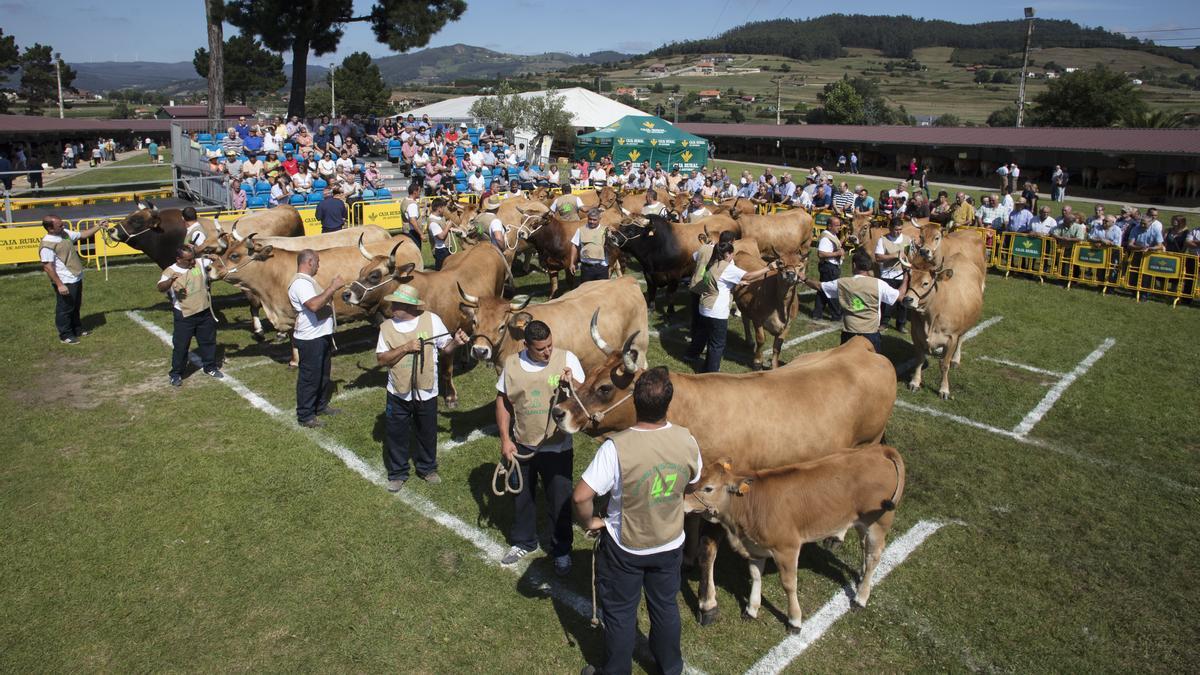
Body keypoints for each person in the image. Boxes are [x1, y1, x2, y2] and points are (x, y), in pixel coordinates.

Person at [573, 366, 701, 675]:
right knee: (665, 607)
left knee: (619, 613)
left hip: (626, 547)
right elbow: (694, 482)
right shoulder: (687, 439)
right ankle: (670, 667)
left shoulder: (615, 448)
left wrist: (590, 523)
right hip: (670, 542)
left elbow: (580, 496)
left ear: (633, 401)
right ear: (667, 404)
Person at [495, 320, 586, 573]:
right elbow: (502, 401)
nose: (547, 352)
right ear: (526, 346)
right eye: (540, 349)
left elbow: (585, 400)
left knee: (560, 501)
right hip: (521, 445)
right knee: (521, 497)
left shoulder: (567, 360)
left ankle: (562, 550)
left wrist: (572, 385)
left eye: (550, 345)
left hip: (557, 448)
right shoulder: (512, 365)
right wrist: (505, 439)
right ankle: (524, 541)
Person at [376, 284, 469, 491]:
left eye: (396, 304)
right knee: (396, 433)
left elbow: (445, 348)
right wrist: (405, 348)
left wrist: (456, 343)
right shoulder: (387, 328)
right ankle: (398, 473)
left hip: (427, 390)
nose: (391, 307)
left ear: (408, 306)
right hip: (398, 391)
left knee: (427, 432)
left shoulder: (431, 320)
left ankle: (427, 468)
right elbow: (381, 359)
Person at [685, 240, 779, 373]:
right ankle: (712, 373)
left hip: (704, 306)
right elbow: (749, 275)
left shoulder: (712, 263)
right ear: (728, 254)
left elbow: (715, 281)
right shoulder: (727, 267)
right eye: (731, 254)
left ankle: (696, 360)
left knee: (704, 334)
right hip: (717, 311)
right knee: (717, 344)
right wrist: (768, 268)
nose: (732, 256)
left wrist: (737, 282)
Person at [802, 249, 908, 352]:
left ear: (853, 265)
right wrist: (906, 276)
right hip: (871, 335)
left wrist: (804, 279)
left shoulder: (843, 283)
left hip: (849, 334)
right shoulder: (879, 284)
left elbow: (819, 286)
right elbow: (900, 296)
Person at [288, 250, 345, 428]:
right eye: (317, 262)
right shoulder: (300, 283)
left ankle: (320, 406)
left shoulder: (306, 281)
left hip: (320, 335)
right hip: (310, 338)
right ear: (309, 262)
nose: (319, 266)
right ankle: (305, 415)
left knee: (323, 374)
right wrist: (332, 288)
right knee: (310, 378)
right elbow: (313, 305)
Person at [156, 246, 223, 386]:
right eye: (188, 260)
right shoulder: (170, 271)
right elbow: (161, 287)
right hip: (184, 315)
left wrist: (214, 257)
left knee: (208, 341)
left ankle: (210, 367)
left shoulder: (198, 263)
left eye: (193, 258)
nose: (192, 262)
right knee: (181, 346)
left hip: (204, 311)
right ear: (178, 259)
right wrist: (170, 281)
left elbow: (218, 261)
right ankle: (176, 374)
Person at [40, 215, 104, 344]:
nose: (63, 227)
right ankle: (65, 335)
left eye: (63, 224)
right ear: (50, 229)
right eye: (60, 225)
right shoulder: (47, 245)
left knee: (75, 306)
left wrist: (99, 226)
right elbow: (48, 267)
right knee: (65, 309)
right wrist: (60, 285)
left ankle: (77, 329)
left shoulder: (64, 234)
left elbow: (83, 235)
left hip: (75, 277)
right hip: (65, 281)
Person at [874, 218, 911, 332]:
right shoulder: (883, 240)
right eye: (896, 230)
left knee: (902, 301)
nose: (898, 232)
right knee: (886, 301)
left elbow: (909, 255)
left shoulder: (907, 239)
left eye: (900, 229)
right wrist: (895, 255)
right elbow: (878, 257)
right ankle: (884, 323)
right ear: (890, 228)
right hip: (887, 274)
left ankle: (901, 324)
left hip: (902, 274)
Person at [812, 216, 846, 321]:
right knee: (832, 290)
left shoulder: (832, 235)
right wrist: (837, 253)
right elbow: (821, 254)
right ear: (829, 226)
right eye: (837, 225)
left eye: (839, 225)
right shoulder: (826, 238)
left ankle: (817, 313)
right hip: (829, 267)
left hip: (831, 267)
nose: (839, 227)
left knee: (823, 289)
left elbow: (836, 244)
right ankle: (836, 315)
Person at [570, 208, 609, 283]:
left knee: (602, 292)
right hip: (586, 268)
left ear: (599, 219)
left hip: (602, 267)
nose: (592, 222)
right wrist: (572, 263)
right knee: (587, 292)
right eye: (590, 219)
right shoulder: (580, 230)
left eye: (594, 220)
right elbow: (574, 246)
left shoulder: (606, 230)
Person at [425, 198, 456, 270]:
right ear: (439, 208)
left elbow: (445, 229)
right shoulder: (433, 222)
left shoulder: (440, 217)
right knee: (441, 271)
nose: (445, 210)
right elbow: (441, 236)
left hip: (446, 248)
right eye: (443, 208)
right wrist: (448, 226)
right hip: (441, 250)